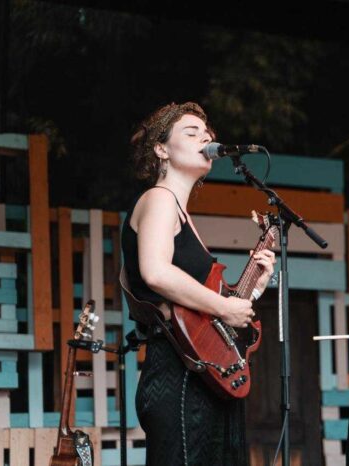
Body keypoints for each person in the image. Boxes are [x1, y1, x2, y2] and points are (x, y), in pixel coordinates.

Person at [120, 102, 276, 466]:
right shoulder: (159, 199)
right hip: (177, 370)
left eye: (208, 135)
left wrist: (251, 290)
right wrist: (224, 306)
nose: (205, 138)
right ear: (161, 149)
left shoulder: (180, 213)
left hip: (201, 370)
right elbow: (155, 273)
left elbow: (201, 307)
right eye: (191, 133)